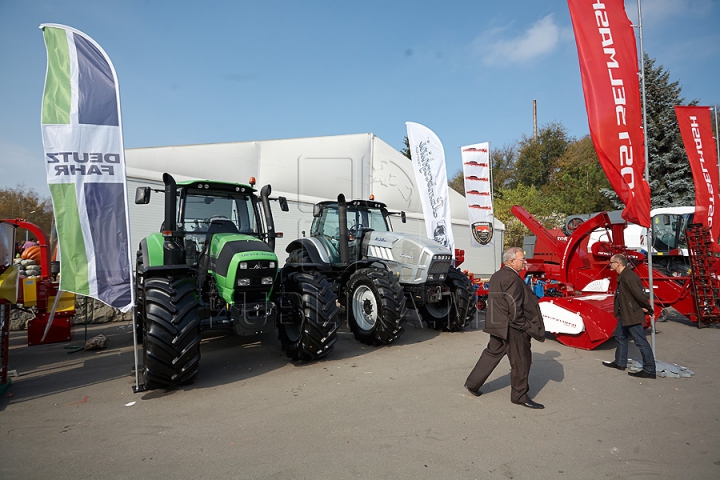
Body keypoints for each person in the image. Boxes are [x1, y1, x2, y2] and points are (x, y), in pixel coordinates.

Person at [464, 247, 546, 409]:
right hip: (512, 328)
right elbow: (514, 307)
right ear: (511, 261)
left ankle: (472, 384)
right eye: (522, 259)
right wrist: (526, 326)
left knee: (491, 354)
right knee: (521, 360)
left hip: (498, 325)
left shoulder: (498, 275)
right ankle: (519, 396)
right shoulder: (511, 278)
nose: (524, 262)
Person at [602, 254, 657, 379]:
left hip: (631, 314)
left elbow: (639, 295)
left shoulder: (629, 277)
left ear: (618, 264)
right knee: (620, 336)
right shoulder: (623, 276)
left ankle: (649, 370)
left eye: (611, 262)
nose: (609, 264)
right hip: (625, 314)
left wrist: (648, 309)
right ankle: (620, 362)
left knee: (640, 342)